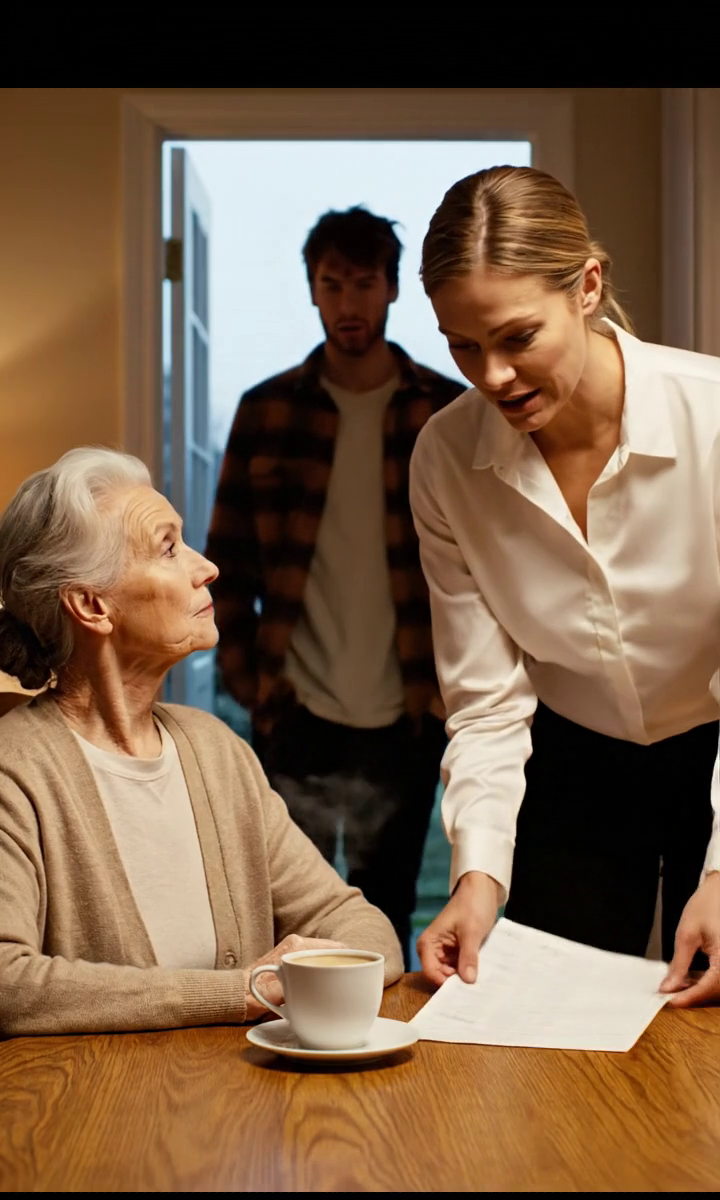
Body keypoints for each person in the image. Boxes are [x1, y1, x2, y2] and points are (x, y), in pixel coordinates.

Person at [409, 165, 720, 1008]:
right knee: (553, 1041)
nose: (493, 376)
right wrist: (477, 876)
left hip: (716, 745)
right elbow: (485, 700)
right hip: (570, 765)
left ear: (587, 286)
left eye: (516, 337)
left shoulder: (713, 420)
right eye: (462, 346)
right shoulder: (444, 460)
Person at [0, 447, 403, 1038]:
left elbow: (363, 927)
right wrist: (241, 994)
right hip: (92, 1116)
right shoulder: (16, 769)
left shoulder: (216, 752)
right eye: (168, 548)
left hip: (238, 1110)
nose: (207, 566)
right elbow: (9, 985)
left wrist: (297, 980)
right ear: (91, 605)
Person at [205, 205, 464, 966]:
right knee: (290, 916)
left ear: (391, 290)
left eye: (364, 284)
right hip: (296, 708)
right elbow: (226, 562)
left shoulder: (446, 411)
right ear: (312, 291)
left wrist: (454, 692)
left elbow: (485, 566)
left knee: (387, 911)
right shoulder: (267, 408)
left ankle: (386, 1072)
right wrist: (248, 682)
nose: (348, 303)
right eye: (331, 285)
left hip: (412, 709)